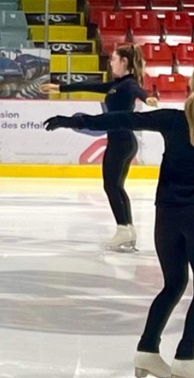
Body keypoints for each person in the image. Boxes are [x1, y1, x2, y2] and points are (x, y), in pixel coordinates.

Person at [44, 60, 194, 378]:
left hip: (167, 218)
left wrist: (73, 120)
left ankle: (147, 351)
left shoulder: (172, 120)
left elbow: (122, 118)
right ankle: (186, 359)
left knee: (173, 284)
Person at [40, 44, 158, 252]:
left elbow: (139, 91)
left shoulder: (128, 85)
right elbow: (90, 86)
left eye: (114, 59)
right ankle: (128, 229)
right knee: (116, 186)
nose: (110, 62)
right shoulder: (116, 85)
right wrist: (60, 88)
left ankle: (123, 228)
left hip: (121, 142)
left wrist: (147, 98)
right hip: (123, 141)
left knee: (111, 186)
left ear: (124, 62)